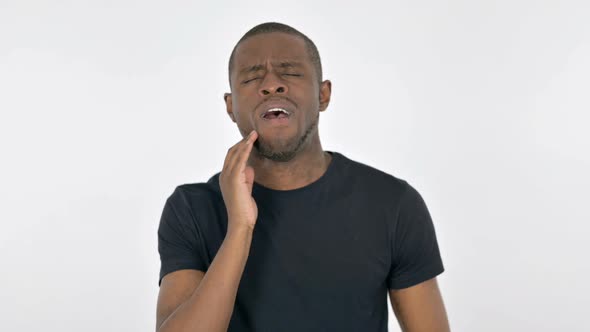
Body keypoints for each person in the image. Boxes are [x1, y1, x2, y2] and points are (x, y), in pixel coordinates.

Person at [155, 22, 450, 332]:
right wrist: (240, 227)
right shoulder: (190, 209)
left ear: (323, 95)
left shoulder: (393, 204)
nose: (271, 84)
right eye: (253, 76)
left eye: (291, 73)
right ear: (231, 107)